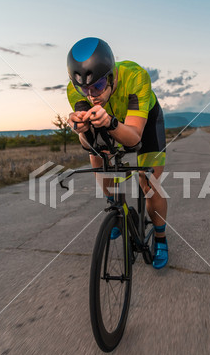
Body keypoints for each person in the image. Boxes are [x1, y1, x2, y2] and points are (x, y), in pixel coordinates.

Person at [67, 37, 168, 269]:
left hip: (144, 122)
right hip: (109, 119)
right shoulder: (75, 92)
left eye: (98, 86)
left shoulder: (136, 77)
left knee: (149, 182)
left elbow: (134, 139)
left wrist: (111, 124)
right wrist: (80, 130)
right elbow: (88, 143)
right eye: (83, 88)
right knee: (97, 154)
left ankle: (161, 239)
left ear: (111, 76)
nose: (91, 95)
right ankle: (115, 205)